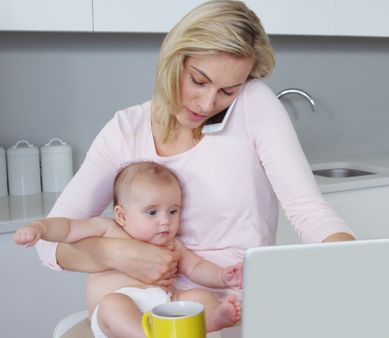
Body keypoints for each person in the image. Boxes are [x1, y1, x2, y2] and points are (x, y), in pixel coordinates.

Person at [35, 0, 354, 326]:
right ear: (174, 58)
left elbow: (308, 211)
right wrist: (115, 254)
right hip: (142, 308)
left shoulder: (254, 105)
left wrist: (359, 267)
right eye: (198, 81)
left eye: (228, 91)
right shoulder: (124, 131)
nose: (207, 103)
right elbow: (48, 245)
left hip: (226, 311)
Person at [16, 162, 242, 338]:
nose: (165, 221)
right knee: (112, 304)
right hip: (114, 322)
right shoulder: (107, 229)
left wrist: (223, 276)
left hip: (161, 310)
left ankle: (211, 320)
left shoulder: (171, 244)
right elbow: (67, 228)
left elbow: (196, 267)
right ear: (121, 216)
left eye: (173, 211)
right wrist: (40, 227)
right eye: (152, 212)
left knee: (198, 296)